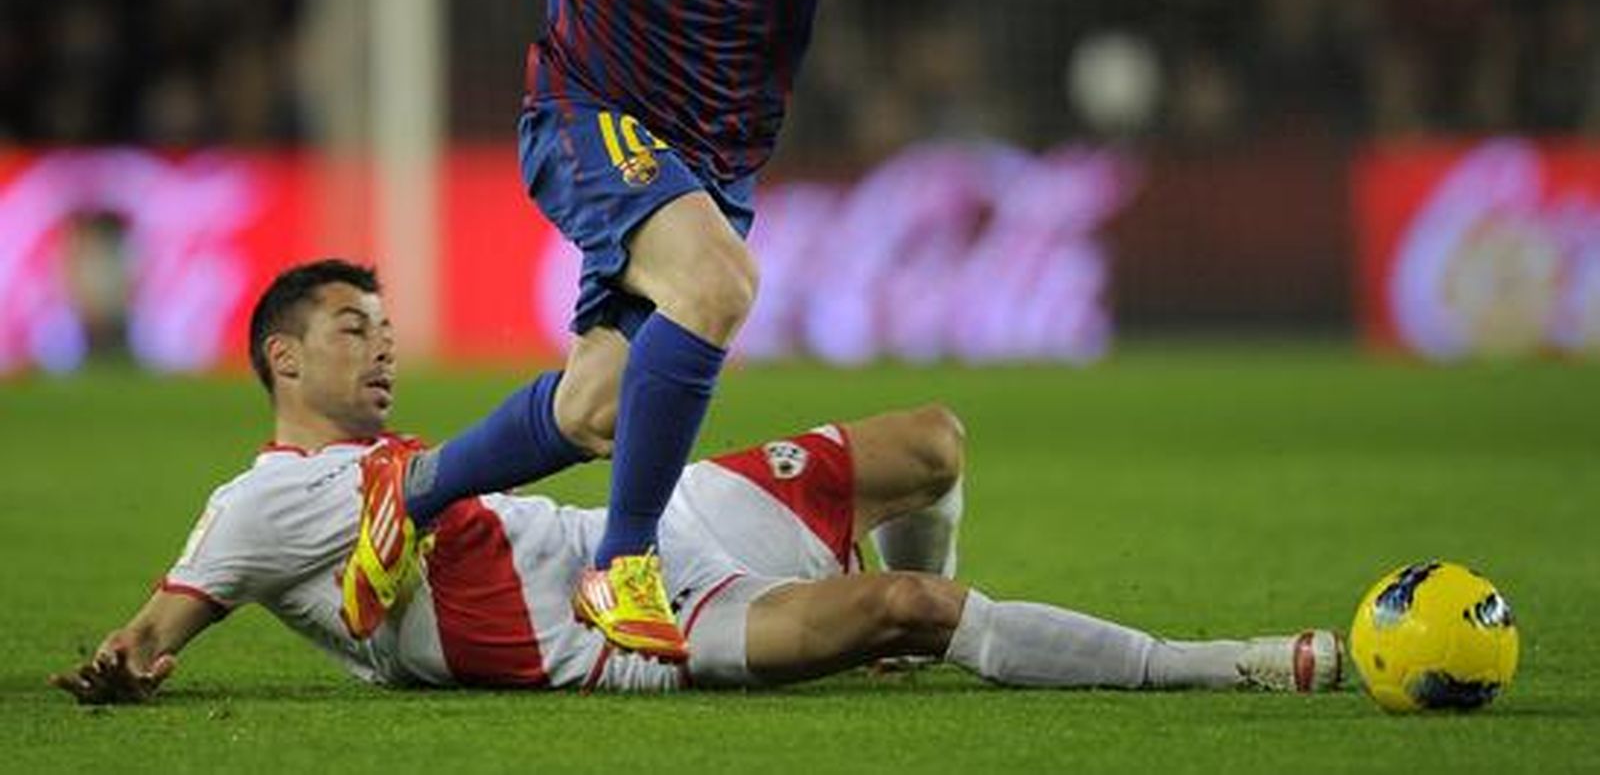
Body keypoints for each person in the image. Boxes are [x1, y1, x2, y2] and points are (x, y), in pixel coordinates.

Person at [313, 0, 926, 663]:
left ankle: (406, 489)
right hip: (586, 109)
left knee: (601, 405)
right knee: (721, 283)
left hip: (717, 148)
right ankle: (624, 561)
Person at [52, 261, 1342, 703]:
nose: (382, 343)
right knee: (910, 612)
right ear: (280, 355)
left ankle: (898, 637)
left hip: (658, 524)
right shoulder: (259, 503)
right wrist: (125, 663)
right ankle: (1209, 659)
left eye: (384, 324)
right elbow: (151, 635)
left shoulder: (399, 462)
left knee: (933, 441)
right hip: (629, 635)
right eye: (351, 326)